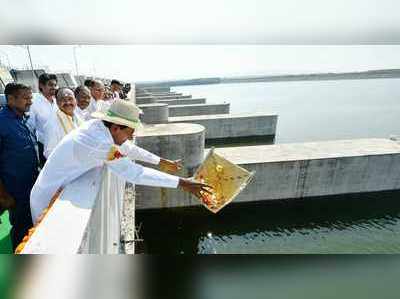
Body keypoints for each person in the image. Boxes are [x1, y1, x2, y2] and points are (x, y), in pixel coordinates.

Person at [30, 100, 210, 223]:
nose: (131, 136)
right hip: (47, 200)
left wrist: (160, 161)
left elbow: (128, 148)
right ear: (116, 128)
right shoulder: (101, 143)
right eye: (130, 132)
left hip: (54, 189)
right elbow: (134, 173)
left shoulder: (100, 128)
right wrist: (182, 183)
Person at [0, 83, 39, 250]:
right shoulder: (1, 123)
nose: (30, 102)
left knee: (33, 228)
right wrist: (3, 195)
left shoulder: (26, 119)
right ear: (10, 99)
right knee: (21, 231)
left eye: (31, 98)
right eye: (25, 98)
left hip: (33, 186)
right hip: (14, 193)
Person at [27, 73, 58, 167]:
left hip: (60, 143)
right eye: (50, 85)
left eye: (55, 85)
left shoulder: (57, 101)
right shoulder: (34, 103)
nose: (53, 87)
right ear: (41, 85)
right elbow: (30, 127)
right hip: (44, 146)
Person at [43, 88, 83, 158]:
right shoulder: (52, 124)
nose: (67, 103)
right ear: (57, 103)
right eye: (63, 100)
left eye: (70, 99)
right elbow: (49, 152)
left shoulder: (79, 118)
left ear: (75, 100)